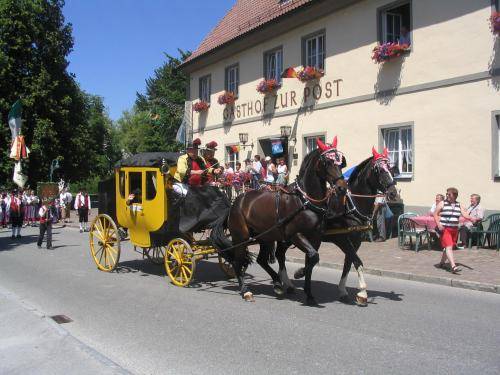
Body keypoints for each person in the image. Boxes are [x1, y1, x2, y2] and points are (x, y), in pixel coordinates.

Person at [434, 187, 478, 274]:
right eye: (447, 194)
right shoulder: (442, 203)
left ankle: (442, 263)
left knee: (448, 247)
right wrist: (439, 224)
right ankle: (453, 266)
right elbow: (435, 214)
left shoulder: (459, 204)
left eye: (449, 194)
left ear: (455, 195)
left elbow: (465, 214)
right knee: (449, 246)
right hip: (445, 229)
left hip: (454, 229)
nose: (447, 196)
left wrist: (471, 218)